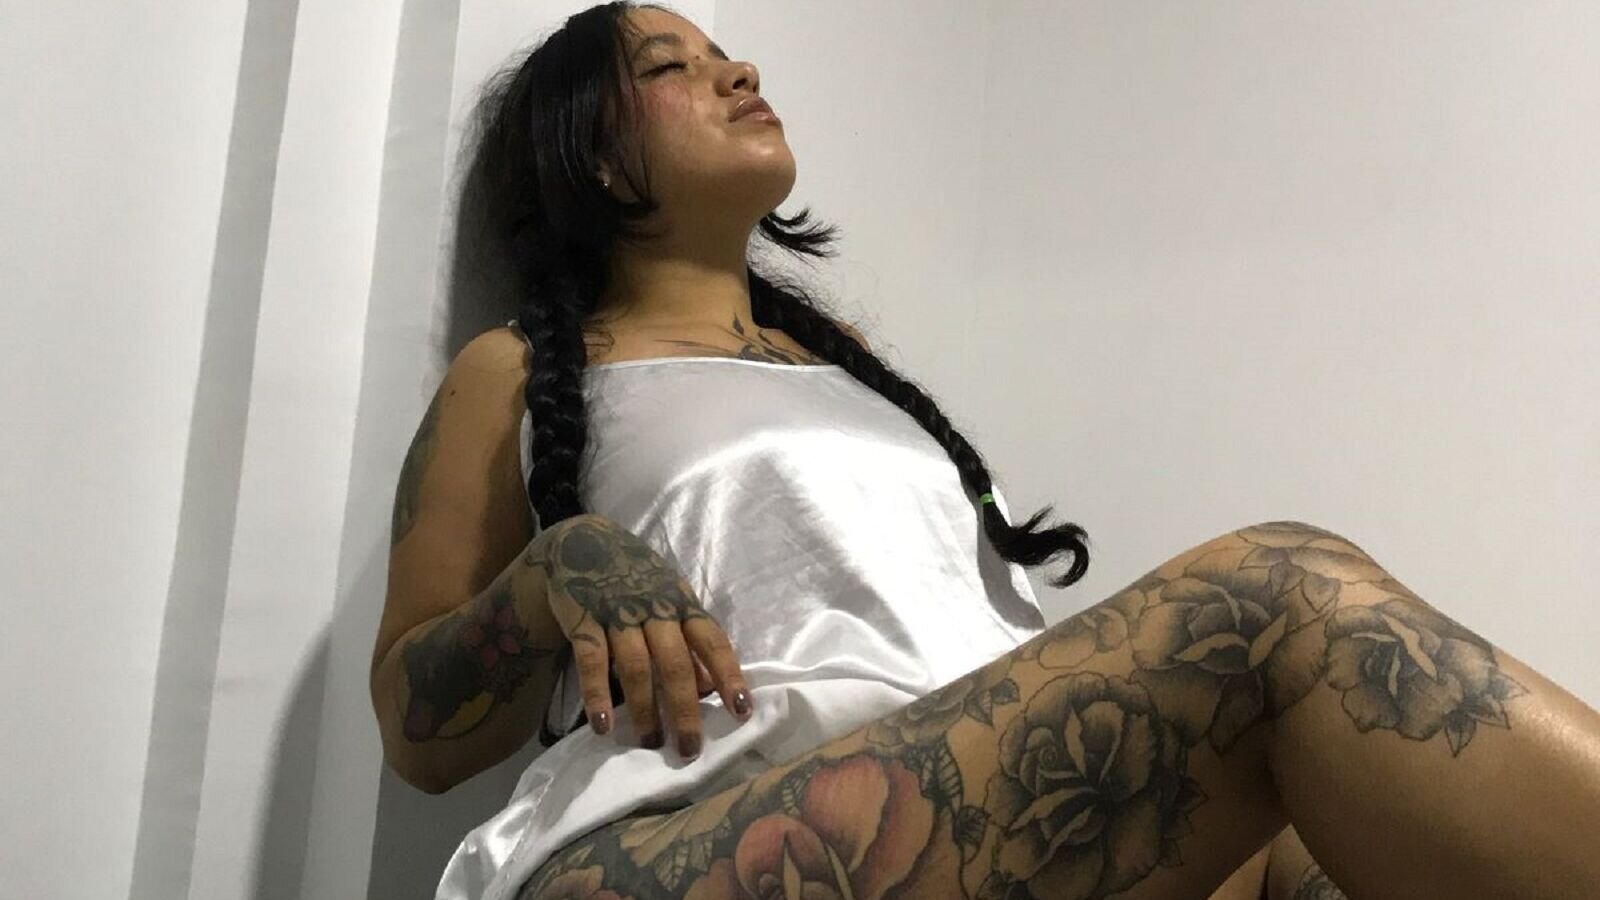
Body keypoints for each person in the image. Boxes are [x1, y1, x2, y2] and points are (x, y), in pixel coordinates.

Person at [365, 4, 1600, 899]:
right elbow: (418, 736)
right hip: (671, 845)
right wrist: (559, 564)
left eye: (724, 51)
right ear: (589, 150)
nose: (738, 69)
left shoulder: (852, 372)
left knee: (1327, 850)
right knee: (1272, 603)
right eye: (670, 67)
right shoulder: (516, 371)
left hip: (966, 815)